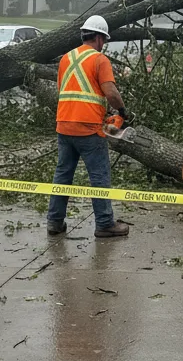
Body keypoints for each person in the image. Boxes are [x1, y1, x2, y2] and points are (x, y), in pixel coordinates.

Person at [46, 14, 131, 239]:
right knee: (99, 176)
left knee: (62, 174)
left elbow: (70, 91)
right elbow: (110, 91)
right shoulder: (99, 60)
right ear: (100, 38)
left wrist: (101, 111)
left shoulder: (66, 58)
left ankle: (54, 221)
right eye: (104, 40)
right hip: (89, 129)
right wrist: (122, 112)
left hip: (64, 125)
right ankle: (104, 223)